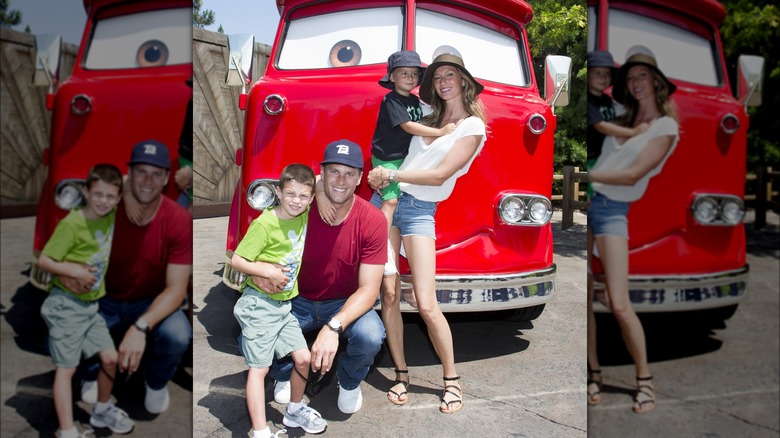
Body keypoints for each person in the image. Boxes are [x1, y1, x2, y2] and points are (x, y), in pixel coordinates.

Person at [366, 50, 487, 414]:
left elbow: (438, 175)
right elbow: (392, 150)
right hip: (386, 202)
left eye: (450, 74)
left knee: (426, 302)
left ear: (464, 80)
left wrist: (391, 175)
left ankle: (451, 380)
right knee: (388, 292)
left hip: (419, 211)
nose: (443, 81)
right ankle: (401, 373)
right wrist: (378, 175)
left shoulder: (472, 127)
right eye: (437, 77)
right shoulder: (425, 115)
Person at [244, 140, 388, 415]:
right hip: (293, 299)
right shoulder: (299, 207)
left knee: (370, 336)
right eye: (333, 171)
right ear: (321, 174)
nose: (341, 180)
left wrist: (333, 328)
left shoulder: (372, 220)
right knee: (251, 335)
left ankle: (349, 381)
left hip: (343, 302)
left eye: (349, 173)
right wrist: (262, 272)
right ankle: (284, 372)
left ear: (360, 179)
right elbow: (258, 245)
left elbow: (370, 290)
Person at [64, 139, 193, 415]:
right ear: (129, 174)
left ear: (167, 178)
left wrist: (140, 327)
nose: (147, 180)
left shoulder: (179, 219)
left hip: (150, 300)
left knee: (178, 333)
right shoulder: (105, 206)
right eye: (140, 172)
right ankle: (90, 371)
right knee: (72, 310)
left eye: (156, 173)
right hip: (103, 297)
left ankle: (156, 381)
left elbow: (176, 288)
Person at [586, 45, 679, 414]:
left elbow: (633, 174)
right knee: (588, 305)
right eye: (632, 76)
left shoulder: (667, 126)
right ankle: (594, 373)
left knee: (619, 303)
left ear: (657, 82)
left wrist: (586, 176)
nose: (637, 82)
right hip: (590, 206)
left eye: (644, 75)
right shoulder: (621, 117)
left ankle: (645, 380)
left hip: (610, 209)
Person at [38, 164, 134, 437]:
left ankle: (102, 410)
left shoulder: (111, 213)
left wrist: (123, 181)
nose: (103, 201)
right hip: (65, 305)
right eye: (98, 194)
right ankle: (66, 430)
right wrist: (75, 270)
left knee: (111, 359)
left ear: (116, 199)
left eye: (109, 196)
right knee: (66, 370)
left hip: (91, 307)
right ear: (85, 192)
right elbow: (45, 259)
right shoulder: (72, 223)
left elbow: (127, 183)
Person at [231, 164, 326, 437]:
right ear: (277, 192)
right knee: (258, 371)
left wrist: (314, 183)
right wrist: (267, 270)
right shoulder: (265, 223)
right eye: (290, 194)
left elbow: (318, 183)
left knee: (304, 359)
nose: (296, 201)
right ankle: (260, 431)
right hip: (259, 305)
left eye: (303, 196)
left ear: (310, 199)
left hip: (284, 307)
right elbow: (238, 260)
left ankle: (295, 411)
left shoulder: (304, 213)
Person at [372, 50, 455, 237]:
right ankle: (379, 243)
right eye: (404, 73)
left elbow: (431, 113)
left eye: (414, 73)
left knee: (394, 199)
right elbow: (408, 126)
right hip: (387, 159)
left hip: (404, 158)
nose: (410, 77)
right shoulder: (391, 100)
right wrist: (440, 132)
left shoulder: (414, 101)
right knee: (390, 202)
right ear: (392, 77)